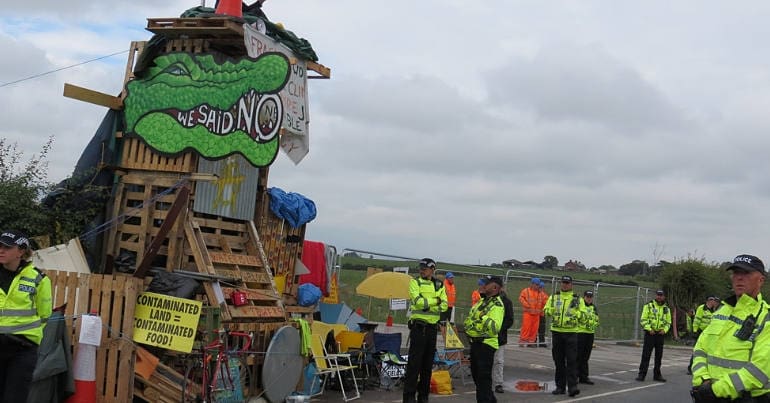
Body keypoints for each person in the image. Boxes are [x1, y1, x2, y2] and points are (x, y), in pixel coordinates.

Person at [691, 254, 770, 402]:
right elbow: (700, 349)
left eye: (746, 273)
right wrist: (703, 379)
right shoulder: (721, 311)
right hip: (708, 395)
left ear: (761, 280)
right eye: (736, 273)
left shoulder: (765, 317)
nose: (739, 278)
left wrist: (716, 390)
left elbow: (760, 370)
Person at [0, 230, 52, 402]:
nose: (1, 250)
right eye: (0, 245)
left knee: (14, 398)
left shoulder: (39, 279)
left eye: (7, 247)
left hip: (22, 350)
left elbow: (45, 315)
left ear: (21, 252)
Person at [404, 258, 448, 403]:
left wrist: (430, 303)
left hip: (431, 331)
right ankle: (409, 397)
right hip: (418, 328)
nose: (421, 270)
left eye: (425, 268)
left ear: (433, 269)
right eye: (420, 268)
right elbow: (418, 303)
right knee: (413, 365)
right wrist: (436, 301)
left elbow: (445, 306)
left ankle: (423, 397)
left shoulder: (439, 284)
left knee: (427, 366)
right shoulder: (415, 282)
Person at [464, 276, 505, 403]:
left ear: (494, 287)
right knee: (478, 379)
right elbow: (469, 320)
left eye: (486, 284)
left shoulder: (497, 305)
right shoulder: (481, 302)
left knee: (483, 380)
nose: (482, 286)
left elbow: (494, 328)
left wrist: (483, 317)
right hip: (475, 343)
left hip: (486, 345)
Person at [543, 275, 584, 397]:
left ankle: (572, 387)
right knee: (558, 361)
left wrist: (575, 313)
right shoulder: (554, 297)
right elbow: (545, 310)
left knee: (571, 361)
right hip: (557, 332)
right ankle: (560, 387)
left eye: (567, 283)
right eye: (563, 283)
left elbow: (582, 314)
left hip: (571, 333)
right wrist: (550, 310)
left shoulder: (577, 299)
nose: (565, 285)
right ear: (561, 284)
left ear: (571, 285)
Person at [635, 289, 671, 382]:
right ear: (656, 296)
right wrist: (649, 329)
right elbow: (643, 319)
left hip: (660, 334)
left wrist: (664, 330)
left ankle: (657, 375)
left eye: (661, 295)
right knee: (646, 355)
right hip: (650, 334)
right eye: (658, 295)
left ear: (664, 296)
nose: (659, 296)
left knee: (659, 356)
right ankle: (642, 374)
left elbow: (668, 322)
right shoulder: (649, 305)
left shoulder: (666, 308)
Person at [687, 296, 720, 374]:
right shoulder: (702, 308)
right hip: (700, 332)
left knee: (709, 351)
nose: (715, 303)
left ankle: (705, 368)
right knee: (697, 350)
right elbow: (697, 319)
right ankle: (691, 368)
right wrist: (695, 330)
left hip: (710, 333)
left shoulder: (714, 310)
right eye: (714, 301)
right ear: (710, 301)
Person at [493, 285, 514, 394]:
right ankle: (484, 381)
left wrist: (499, 328)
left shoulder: (507, 302)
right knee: (486, 360)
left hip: (499, 337)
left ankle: (498, 383)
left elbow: (510, 320)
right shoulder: (488, 300)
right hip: (487, 336)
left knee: (499, 361)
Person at [577, 290, 599, 385]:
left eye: (590, 297)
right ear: (584, 297)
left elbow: (596, 319)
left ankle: (584, 377)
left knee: (586, 356)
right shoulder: (580, 306)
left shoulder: (594, 307)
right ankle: (574, 376)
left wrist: (594, 324)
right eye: (587, 297)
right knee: (578, 356)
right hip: (580, 333)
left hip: (590, 333)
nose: (589, 299)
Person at [518, 278, 543, 347]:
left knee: (534, 330)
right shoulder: (526, 291)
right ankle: (522, 342)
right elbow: (521, 298)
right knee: (526, 328)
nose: (537, 286)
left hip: (536, 315)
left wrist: (542, 312)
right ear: (532, 284)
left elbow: (543, 302)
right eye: (536, 285)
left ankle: (531, 342)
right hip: (528, 313)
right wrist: (527, 305)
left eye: (538, 285)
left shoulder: (540, 293)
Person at [536, 279, 549, 347]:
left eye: (541, 287)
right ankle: (533, 341)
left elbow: (546, 304)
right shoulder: (535, 294)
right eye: (540, 287)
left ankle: (541, 342)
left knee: (542, 329)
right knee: (535, 329)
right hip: (535, 315)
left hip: (541, 314)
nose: (540, 288)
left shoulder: (544, 295)